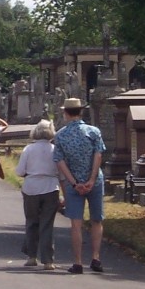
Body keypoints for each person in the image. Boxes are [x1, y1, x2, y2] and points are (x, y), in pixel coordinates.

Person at [52, 97, 106, 274]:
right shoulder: (93, 131)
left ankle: (77, 262)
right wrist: (91, 179)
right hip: (95, 182)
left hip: (73, 183)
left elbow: (60, 162)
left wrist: (74, 183)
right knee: (96, 220)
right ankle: (96, 258)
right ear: (81, 111)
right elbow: (98, 156)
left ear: (65, 113)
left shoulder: (60, 135)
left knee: (76, 223)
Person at [15, 120, 63, 270]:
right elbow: (61, 172)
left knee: (31, 222)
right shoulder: (55, 149)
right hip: (50, 187)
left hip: (31, 188)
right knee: (47, 224)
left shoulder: (28, 149)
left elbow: (20, 171)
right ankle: (48, 260)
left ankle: (31, 256)